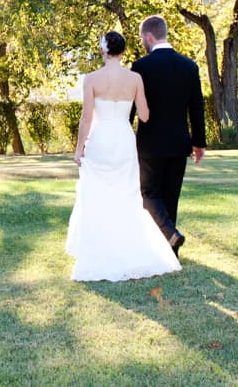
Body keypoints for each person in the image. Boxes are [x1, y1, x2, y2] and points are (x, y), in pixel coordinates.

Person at [66, 31, 181, 282]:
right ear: (123, 51)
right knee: (127, 192)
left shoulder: (92, 79)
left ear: (103, 51)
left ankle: (101, 246)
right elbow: (145, 115)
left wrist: (79, 148)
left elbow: (86, 117)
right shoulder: (135, 78)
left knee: (98, 192)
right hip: (124, 138)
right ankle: (129, 245)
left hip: (100, 138)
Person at [132, 15, 206, 257]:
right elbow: (196, 108)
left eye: (142, 37)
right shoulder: (189, 66)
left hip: (150, 144)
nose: (142, 41)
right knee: (170, 196)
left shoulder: (141, 67)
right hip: (179, 143)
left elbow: (133, 107)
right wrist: (199, 143)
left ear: (149, 36)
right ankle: (168, 253)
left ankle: (170, 236)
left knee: (149, 193)